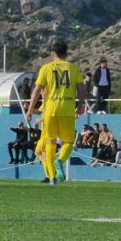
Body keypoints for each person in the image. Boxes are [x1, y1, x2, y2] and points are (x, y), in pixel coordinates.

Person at [26, 40, 86, 185]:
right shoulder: (73, 68)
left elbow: (36, 90)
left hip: (50, 110)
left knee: (50, 144)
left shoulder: (46, 68)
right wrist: (80, 105)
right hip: (67, 109)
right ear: (66, 53)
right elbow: (82, 89)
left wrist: (29, 110)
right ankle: (60, 161)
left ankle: (52, 178)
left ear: (53, 54)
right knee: (69, 142)